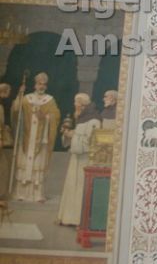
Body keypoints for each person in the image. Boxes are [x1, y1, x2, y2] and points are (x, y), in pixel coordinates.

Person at [11, 72, 60, 202]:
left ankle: (37, 194)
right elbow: (16, 110)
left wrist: (45, 117)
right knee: (24, 165)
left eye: (44, 84)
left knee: (37, 166)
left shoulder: (50, 100)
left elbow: (56, 117)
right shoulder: (26, 98)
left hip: (41, 140)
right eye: (39, 84)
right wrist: (19, 95)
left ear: (46, 86)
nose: (41, 86)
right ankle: (21, 193)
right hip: (26, 137)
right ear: (35, 85)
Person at [57, 93, 101, 226]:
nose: (74, 105)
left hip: (85, 159)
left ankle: (78, 220)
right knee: (72, 186)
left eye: (76, 103)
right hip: (76, 158)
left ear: (82, 105)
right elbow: (78, 135)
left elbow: (91, 141)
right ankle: (68, 218)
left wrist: (73, 135)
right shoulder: (81, 119)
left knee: (81, 188)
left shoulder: (94, 120)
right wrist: (68, 134)